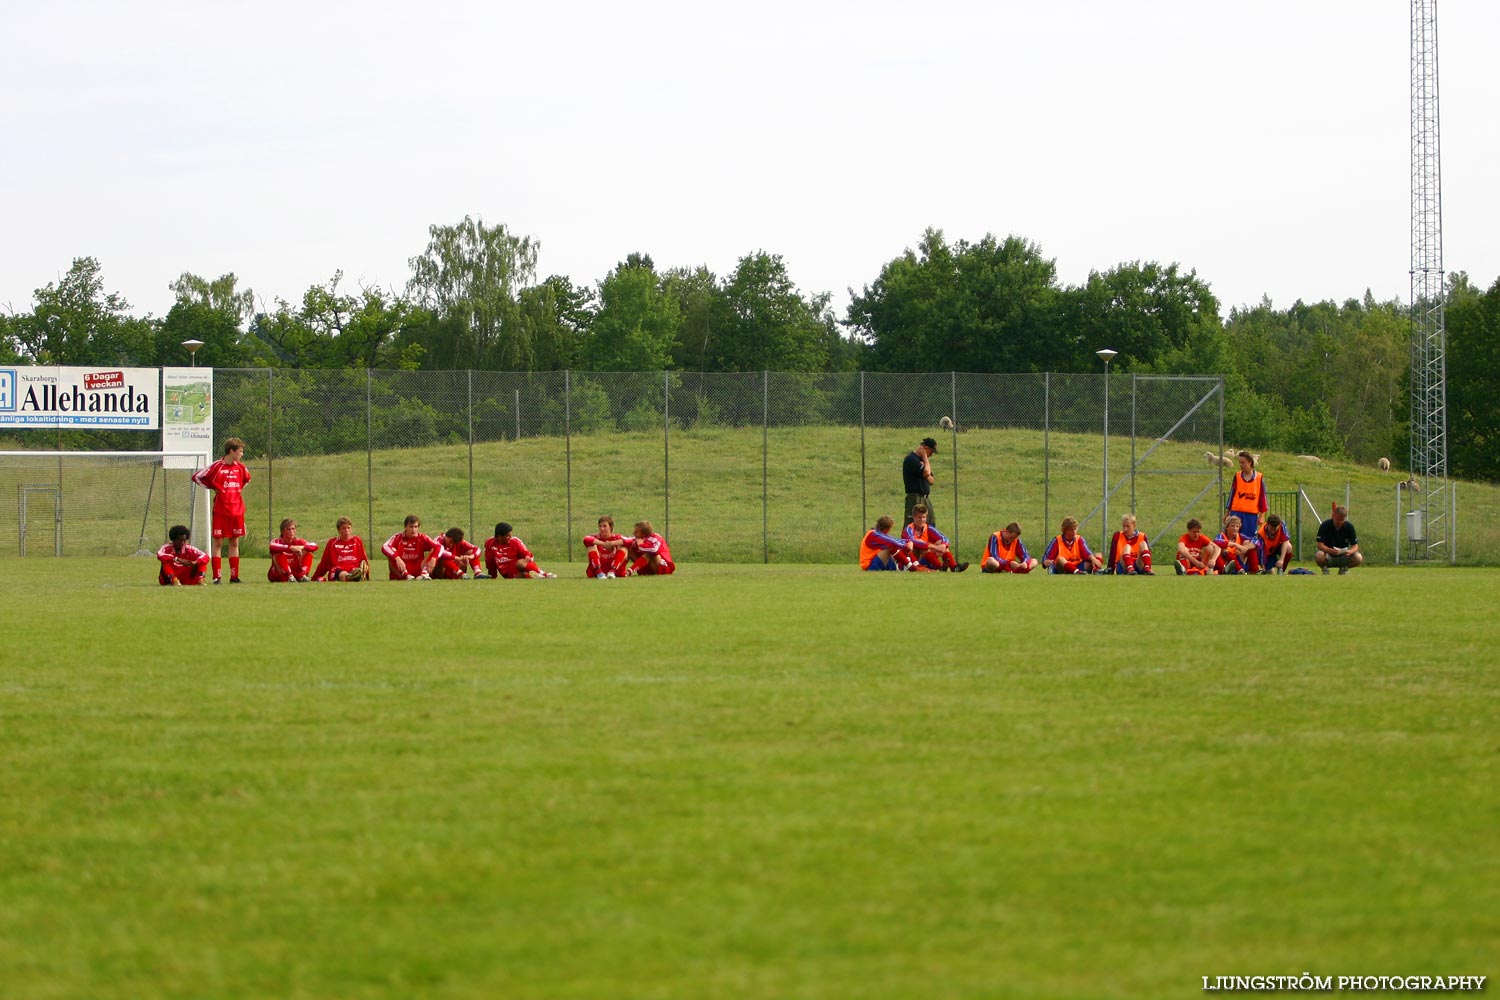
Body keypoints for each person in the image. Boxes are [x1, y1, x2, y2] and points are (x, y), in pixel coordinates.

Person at [190, 437, 251, 584]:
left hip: (237, 510)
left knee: (234, 542)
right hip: (221, 510)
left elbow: (247, 480)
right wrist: (214, 488)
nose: (242, 454)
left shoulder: (241, 468)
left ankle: (234, 576)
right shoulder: (217, 466)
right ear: (232, 451)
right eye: (240, 451)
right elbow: (197, 477)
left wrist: (235, 492)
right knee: (217, 543)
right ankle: (217, 577)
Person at [902, 504, 969, 572]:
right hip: (911, 561)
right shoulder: (908, 530)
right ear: (914, 517)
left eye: (924, 517)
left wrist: (943, 545)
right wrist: (936, 547)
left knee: (941, 543)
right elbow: (915, 542)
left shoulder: (928, 528)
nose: (922, 520)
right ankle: (940, 566)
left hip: (927, 559)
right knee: (923, 547)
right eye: (919, 517)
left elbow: (944, 538)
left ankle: (954, 567)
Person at [485, 522, 558, 579]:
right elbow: (490, 562)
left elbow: (525, 552)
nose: (510, 537)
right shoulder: (490, 544)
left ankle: (545, 574)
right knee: (524, 575)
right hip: (509, 573)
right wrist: (492, 576)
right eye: (507, 536)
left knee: (520, 563)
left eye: (511, 535)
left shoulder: (515, 541)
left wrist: (527, 556)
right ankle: (539, 577)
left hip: (520, 566)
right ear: (499, 537)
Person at [382, 515, 444, 580]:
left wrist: (434, 559)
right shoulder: (397, 537)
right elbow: (385, 546)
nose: (414, 530)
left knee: (434, 550)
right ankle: (405, 575)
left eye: (416, 527)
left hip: (418, 567)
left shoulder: (422, 537)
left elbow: (440, 546)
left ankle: (423, 574)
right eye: (411, 527)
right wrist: (397, 558)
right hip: (402, 567)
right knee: (392, 551)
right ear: (405, 527)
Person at [312, 516, 371, 582]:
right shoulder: (332, 543)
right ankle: (350, 577)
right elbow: (324, 562)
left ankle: (354, 576)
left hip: (354, 569)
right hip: (337, 570)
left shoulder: (357, 541)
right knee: (342, 573)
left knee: (356, 571)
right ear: (339, 530)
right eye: (344, 528)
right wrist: (314, 577)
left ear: (351, 529)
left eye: (348, 528)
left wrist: (367, 575)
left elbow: (364, 559)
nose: (347, 530)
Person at [1226, 451, 1267, 537]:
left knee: (1249, 539)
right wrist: (1227, 513)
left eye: (1243, 462)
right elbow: (1232, 495)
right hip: (1236, 512)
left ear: (1250, 462)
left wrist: (1262, 515)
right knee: (1233, 537)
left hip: (1251, 514)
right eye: (1239, 462)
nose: (1241, 465)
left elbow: (1262, 497)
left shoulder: (1259, 477)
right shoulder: (1237, 476)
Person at [267, 518, 319, 583]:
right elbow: (272, 547)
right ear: (283, 531)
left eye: (293, 529)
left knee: (307, 552)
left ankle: (303, 575)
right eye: (288, 529)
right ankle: (289, 576)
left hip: (295, 572)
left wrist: (301, 547)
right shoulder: (277, 541)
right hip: (280, 573)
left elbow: (315, 546)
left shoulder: (299, 541)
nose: (291, 531)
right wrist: (291, 548)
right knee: (277, 554)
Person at [1315, 504, 1363, 575]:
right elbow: (1320, 545)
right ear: (1333, 516)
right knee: (1319, 555)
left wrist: (1350, 551)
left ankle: (1344, 569)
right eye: (1338, 519)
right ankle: (1325, 569)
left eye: (1342, 520)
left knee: (1358, 557)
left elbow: (1355, 546)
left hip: (1343, 555)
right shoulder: (1325, 525)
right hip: (1329, 555)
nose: (1340, 522)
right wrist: (1330, 550)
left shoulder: (1349, 527)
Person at [903, 437, 938, 527]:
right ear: (925, 448)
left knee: (930, 524)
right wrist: (925, 458)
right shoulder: (911, 459)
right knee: (913, 524)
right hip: (915, 497)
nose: (931, 455)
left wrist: (926, 471)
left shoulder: (922, 462)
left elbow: (932, 480)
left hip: (925, 498)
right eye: (931, 452)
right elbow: (927, 473)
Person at [583, 515, 631, 579]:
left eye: (605, 526)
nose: (602, 529)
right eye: (600, 526)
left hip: (615, 570)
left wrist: (612, 543)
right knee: (591, 545)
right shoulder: (596, 538)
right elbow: (586, 539)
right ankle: (599, 572)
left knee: (623, 547)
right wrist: (603, 544)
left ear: (610, 527)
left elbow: (630, 540)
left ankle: (612, 571)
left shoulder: (616, 537)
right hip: (598, 570)